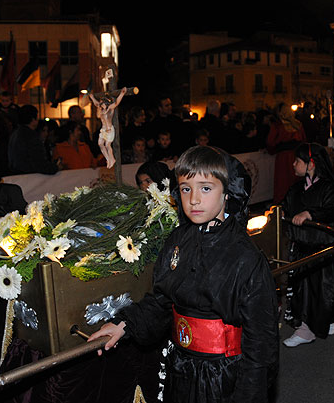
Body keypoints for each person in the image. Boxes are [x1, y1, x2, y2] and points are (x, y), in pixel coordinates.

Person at [89, 145, 279, 403]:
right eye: (186, 189)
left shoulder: (245, 258)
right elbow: (162, 302)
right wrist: (123, 325)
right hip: (181, 369)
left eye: (206, 188)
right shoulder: (177, 241)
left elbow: (261, 344)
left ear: (228, 192)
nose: (194, 199)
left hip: (224, 377)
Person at [281, 143, 334, 347]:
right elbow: (285, 205)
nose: (293, 164)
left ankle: (321, 321)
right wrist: (278, 213)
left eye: (297, 161)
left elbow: (331, 210)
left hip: (321, 246)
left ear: (311, 164)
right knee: (303, 287)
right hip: (301, 244)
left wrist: (310, 214)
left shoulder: (328, 187)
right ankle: (313, 324)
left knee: (322, 287)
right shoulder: (296, 188)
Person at [266, 103, 307, 203]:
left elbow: (270, 143)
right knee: (293, 182)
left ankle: (284, 207)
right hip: (295, 157)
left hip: (285, 158)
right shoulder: (297, 125)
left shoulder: (278, 126)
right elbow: (304, 141)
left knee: (284, 183)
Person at [7, 105, 59, 175]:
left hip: (17, 175)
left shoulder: (14, 134)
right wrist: (55, 167)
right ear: (33, 120)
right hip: (30, 177)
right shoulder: (31, 136)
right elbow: (39, 163)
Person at [89, 87, 127, 169]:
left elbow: (116, 103)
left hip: (109, 130)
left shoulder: (110, 109)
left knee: (107, 144)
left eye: (102, 103)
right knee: (100, 144)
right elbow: (96, 104)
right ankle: (108, 159)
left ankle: (112, 159)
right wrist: (92, 98)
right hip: (103, 130)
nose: (100, 104)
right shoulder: (101, 110)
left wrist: (122, 93)